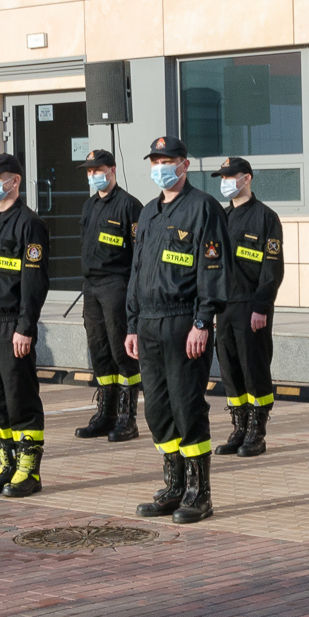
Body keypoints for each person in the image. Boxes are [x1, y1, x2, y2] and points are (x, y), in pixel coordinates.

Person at [127, 136, 227, 524]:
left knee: (187, 405)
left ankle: (198, 493)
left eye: (167, 160)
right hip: (149, 322)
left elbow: (212, 270)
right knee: (156, 408)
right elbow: (136, 272)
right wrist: (132, 323)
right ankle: (173, 486)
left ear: (184, 165)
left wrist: (203, 321)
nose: (160, 167)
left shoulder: (203, 208)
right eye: (155, 161)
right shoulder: (149, 212)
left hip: (184, 320)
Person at [0, 154, 51, 497]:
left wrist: (25, 327)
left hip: (10, 326)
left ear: (14, 181)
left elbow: (34, 282)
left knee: (21, 398)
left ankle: (29, 471)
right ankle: (9, 465)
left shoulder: (28, 224)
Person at [209, 157, 284, 458]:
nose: (225, 181)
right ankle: (239, 428)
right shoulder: (220, 217)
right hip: (224, 307)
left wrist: (261, 306)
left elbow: (272, 268)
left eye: (231, 176)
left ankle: (257, 432)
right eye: (222, 177)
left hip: (251, 307)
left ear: (247, 179)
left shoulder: (266, 217)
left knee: (254, 369)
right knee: (230, 370)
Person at [74, 149, 143, 442]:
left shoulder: (130, 206)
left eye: (98, 170)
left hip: (117, 285)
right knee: (100, 352)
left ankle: (128, 418)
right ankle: (106, 413)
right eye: (89, 172)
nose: (94, 176)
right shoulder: (89, 206)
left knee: (121, 352)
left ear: (112, 170)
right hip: (91, 287)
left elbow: (139, 254)